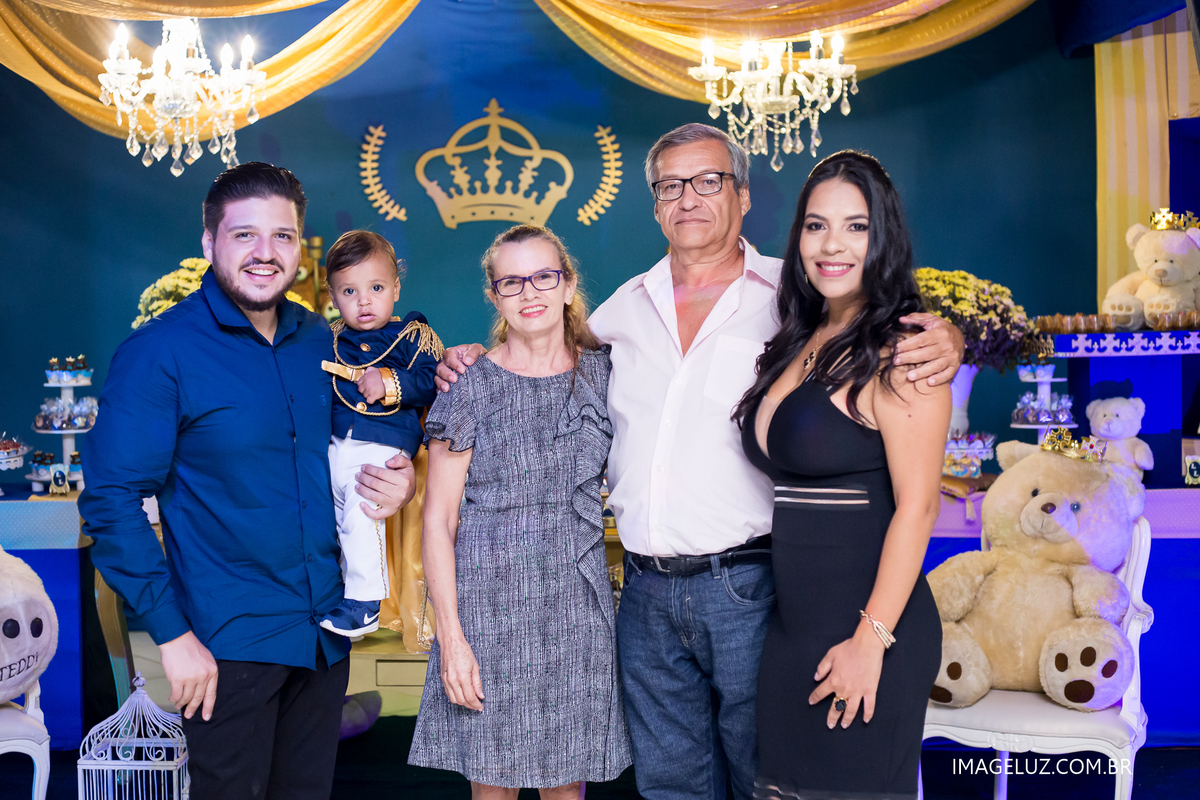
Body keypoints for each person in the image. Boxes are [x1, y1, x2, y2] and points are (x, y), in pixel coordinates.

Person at [437, 124, 962, 800]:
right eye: (670, 186)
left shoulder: (795, 296)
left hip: (750, 587)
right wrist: (466, 360)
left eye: (708, 181)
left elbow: (875, 328)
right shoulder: (621, 310)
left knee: (762, 777)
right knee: (671, 786)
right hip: (644, 593)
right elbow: (538, 356)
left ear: (743, 195)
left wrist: (945, 335)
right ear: (655, 204)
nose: (688, 198)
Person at [79, 163, 416, 799]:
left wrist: (400, 482)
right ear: (209, 242)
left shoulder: (323, 341)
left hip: (324, 637)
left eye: (282, 236)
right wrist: (172, 636)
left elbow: (365, 440)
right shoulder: (160, 352)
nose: (266, 253)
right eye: (245, 235)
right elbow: (110, 501)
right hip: (226, 646)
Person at [734, 150, 948, 799]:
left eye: (856, 226)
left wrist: (870, 641)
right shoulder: (799, 337)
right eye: (816, 225)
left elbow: (919, 508)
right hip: (792, 631)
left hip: (871, 630)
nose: (832, 245)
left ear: (884, 237)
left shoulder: (904, 353)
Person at [408, 224, 631, 797]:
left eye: (543, 277)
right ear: (494, 295)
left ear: (568, 284)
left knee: (567, 788)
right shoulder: (468, 386)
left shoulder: (605, 374)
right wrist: (452, 640)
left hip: (577, 614)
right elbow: (439, 521)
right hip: (488, 616)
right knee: (492, 787)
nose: (529, 292)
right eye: (512, 282)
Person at [319, 230, 442, 637]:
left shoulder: (412, 335)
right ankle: (338, 592)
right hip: (335, 442)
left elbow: (431, 380)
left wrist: (390, 382)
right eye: (349, 291)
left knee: (361, 509)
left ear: (395, 288)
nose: (364, 301)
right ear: (333, 297)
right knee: (331, 516)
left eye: (376, 288)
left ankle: (365, 601)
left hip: (382, 442)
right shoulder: (330, 338)